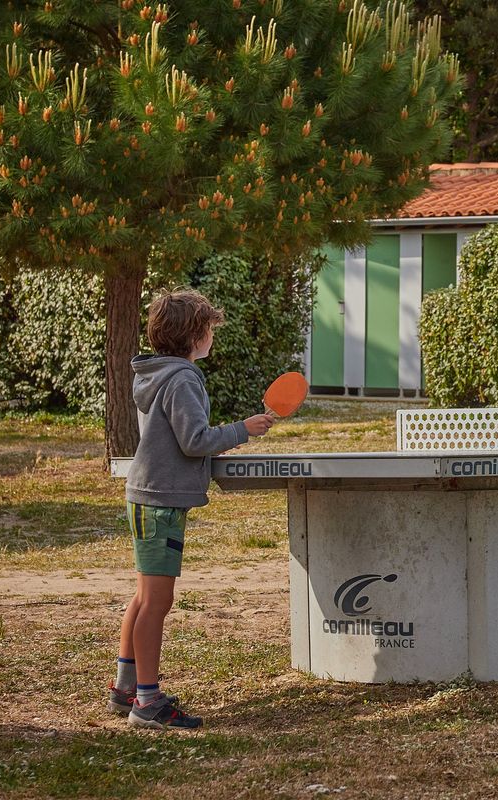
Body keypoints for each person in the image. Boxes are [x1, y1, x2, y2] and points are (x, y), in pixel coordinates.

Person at [109, 288, 275, 729]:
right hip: (159, 500)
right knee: (156, 604)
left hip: (149, 495)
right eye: (209, 329)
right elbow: (194, 440)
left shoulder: (157, 372)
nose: (212, 336)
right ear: (194, 335)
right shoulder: (181, 378)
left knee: (145, 598)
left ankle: (126, 690)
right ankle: (148, 703)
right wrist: (244, 428)